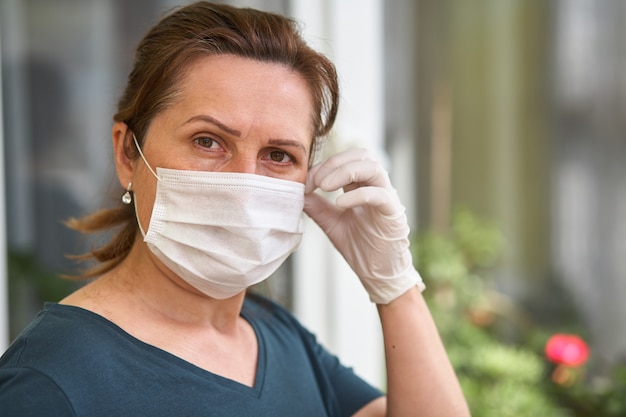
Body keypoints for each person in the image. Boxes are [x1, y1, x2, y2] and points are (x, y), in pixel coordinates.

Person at [0, 2, 470, 416]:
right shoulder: (51, 381)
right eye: (208, 141)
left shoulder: (276, 336)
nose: (245, 183)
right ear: (128, 154)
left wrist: (395, 287)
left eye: (279, 155)